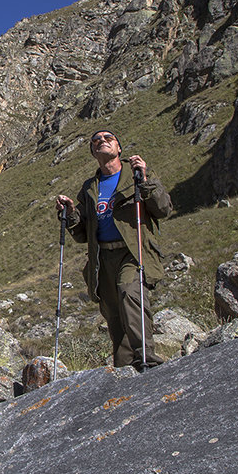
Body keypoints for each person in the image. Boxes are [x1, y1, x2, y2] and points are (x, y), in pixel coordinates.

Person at [56, 129, 173, 371]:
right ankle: (124, 367)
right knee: (113, 312)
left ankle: (146, 359)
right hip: (103, 258)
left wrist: (146, 180)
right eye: (96, 141)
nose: (102, 141)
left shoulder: (136, 176)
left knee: (130, 293)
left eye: (108, 138)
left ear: (119, 148)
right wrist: (71, 214)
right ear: (93, 152)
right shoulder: (90, 188)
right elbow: (81, 233)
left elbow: (163, 209)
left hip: (133, 251)